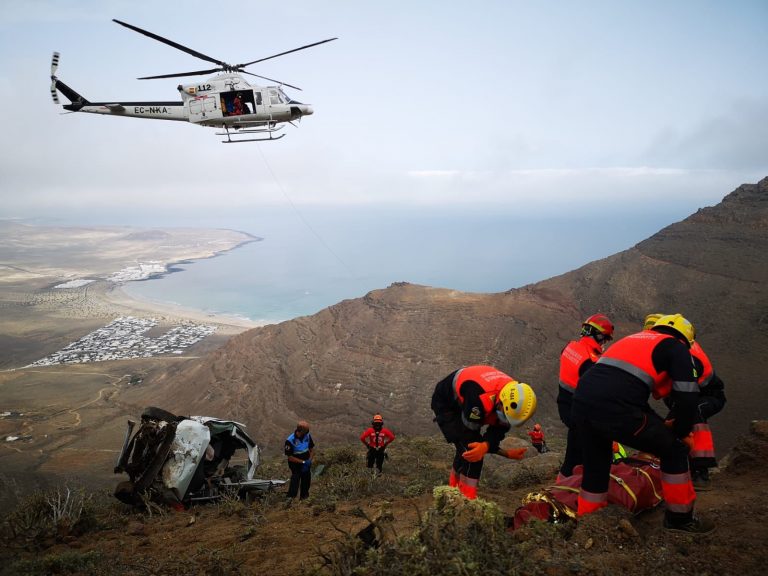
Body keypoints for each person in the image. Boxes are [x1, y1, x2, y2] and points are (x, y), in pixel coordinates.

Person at [571, 313, 714, 533]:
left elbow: (626, 392)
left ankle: (590, 522)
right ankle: (680, 520)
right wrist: (681, 432)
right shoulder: (676, 347)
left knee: (596, 464)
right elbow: (687, 397)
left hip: (582, 404)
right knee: (674, 450)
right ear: (685, 339)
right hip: (616, 407)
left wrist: (658, 425)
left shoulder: (633, 340)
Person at [644, 313, 727, 490]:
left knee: (693, 414)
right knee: (675, 425)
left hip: (708, 395)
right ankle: (678, 467)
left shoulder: (687, 353)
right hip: (680, 396)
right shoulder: (671, 346)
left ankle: (701, 472)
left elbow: (687, 390)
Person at [431, 365, 536, 499]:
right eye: (504, 415)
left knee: (468, 450)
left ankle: (452, 490)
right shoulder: (479, 399)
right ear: (501, 402)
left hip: (472, 398)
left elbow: (498, 430)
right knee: (470, 452)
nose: (504, 419)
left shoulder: (511, 397)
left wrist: (491, 447)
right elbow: (472, 439)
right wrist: (492, 449)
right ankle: (466, 499)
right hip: (446, 402)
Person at [557, 314, 614, 480]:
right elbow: (597, 393)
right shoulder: (590, 361)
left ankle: (563, 485)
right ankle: (571, 488)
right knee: (582, 456)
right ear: (598, 335)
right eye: (604, 339)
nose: (604, 343)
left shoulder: (570, 347)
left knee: (573, 451)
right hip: (580, 412)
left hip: (565, 405)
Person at [284, 420, 315, 502]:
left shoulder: (307, 436)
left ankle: (304, 498)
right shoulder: (290, 440)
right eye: (306, 431)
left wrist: (309, 461)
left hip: (306, 462)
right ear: (300, 431)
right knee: (295, 479)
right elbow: (290, 457)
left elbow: (311, 450)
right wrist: (303, 462)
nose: (307, 432)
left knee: (306, 480)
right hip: (295, 464)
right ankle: (290, 499)